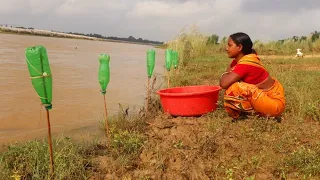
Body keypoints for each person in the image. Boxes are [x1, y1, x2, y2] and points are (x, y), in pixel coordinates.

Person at [219, 32, 285, 120]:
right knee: (236, 85)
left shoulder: (246, 63)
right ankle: (253, 112)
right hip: (270, 100)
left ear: (239, 47)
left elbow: (224, 83)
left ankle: (252, 114)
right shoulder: (245, 59)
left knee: (234, 87)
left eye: (229, 45)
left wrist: (227, 72)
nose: (226, 49)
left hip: (274, 105)